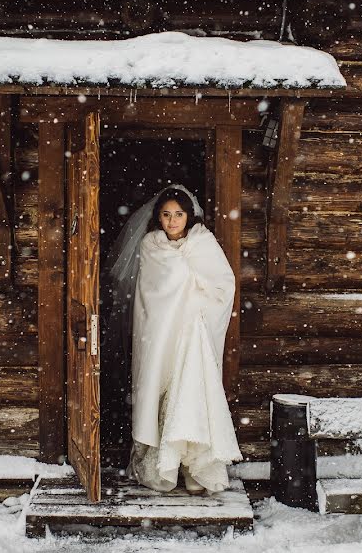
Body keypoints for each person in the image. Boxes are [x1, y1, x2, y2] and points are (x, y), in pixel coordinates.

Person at [104, 184, 242, 495]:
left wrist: (197, 308)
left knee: (193, 395)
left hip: (193, 335)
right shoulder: (151, 247)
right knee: (162, 395)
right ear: (158, 218)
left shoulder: (204, 243)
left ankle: (196, 469)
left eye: (178, 214)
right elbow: (150, 298)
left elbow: (223, 284)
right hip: (161, 337)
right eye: (166, 215)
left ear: (188, 216)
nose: (172, 221)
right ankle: (162, 466)